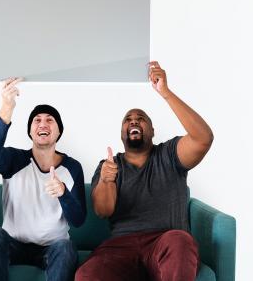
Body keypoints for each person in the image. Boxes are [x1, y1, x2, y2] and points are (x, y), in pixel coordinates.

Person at [75, 61, 214, 281]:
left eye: (141, 119)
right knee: (88, 274)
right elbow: (103, 210)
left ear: (151, 129)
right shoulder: (109, 165)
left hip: (165, 242)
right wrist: (106, 180)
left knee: (180, 241)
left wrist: (165, 93)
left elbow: (203, 138)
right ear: (122, 132)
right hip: (121, 246)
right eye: (128, 120)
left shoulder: (169, 154)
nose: (134, 121)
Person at [0, 78, 86, 281]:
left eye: (49, 120)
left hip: (53, 248)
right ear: (30, 131)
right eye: (37, 120)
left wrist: (63, 193)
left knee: (66, 247)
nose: (43, 124)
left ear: (58, 131)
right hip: (13, 243)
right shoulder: (15, 160)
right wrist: (7, 107)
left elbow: (79, 220)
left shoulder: (73, 167)